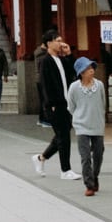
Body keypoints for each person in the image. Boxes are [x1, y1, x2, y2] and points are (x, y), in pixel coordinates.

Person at [35, 34, 79, 179]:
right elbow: (44, 84)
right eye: (57, 41)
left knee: (62, 135)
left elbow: (73, 73)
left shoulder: (61, 60)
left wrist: (69, 54)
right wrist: (50, 103)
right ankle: (65, 170)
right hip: (55, 105)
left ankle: (41, 158)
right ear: (49, 43)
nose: (61, 43)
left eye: (61, 40)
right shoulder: (45, 61)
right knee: (64, 136)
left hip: (66, 104)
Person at [67, 55, 107, 197]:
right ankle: (89, 184)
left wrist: (100, 118)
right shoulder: (74, 88)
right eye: (88, 69)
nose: (91, 71)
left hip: (97, 124)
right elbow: (71, 106)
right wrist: (78, 118)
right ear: (81, 72)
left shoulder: (100, 85)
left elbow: (103, 104)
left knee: (98, 154)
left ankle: (94, 176)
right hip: (81, 126)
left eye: (92, 68)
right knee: (85, 157)